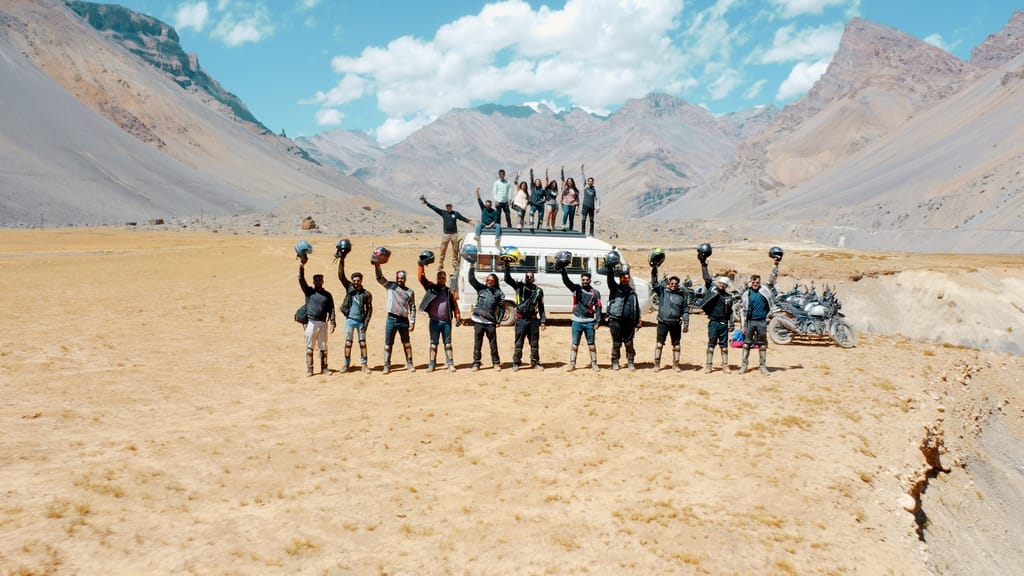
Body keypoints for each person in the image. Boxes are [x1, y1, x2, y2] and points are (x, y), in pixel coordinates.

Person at [739, 257, 780, 374]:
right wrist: (742, 326)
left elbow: (772, 278)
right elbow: (742, 311)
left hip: (762, 321)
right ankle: (744, 366)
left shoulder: (765, 290)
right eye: (753, 282)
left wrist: (776, 264)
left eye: (757, 282)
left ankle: (762, 367)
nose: (755, 284)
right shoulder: (746, 294)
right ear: (751, 282)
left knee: (762, 345)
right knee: (746, 345)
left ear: (760, 282)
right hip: (750, 322)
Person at [418, 260, 461, 372]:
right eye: (439, 278)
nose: (441, 279)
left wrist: (458, 317)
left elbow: (455, 305)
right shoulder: (432, 288)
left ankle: (450, 363)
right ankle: (432, 364)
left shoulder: (449, 292)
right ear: (437, 279)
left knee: (448, 344)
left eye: (443, 278)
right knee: (433, 343)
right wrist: (421, 266)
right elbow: (422, 279)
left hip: (446, 322)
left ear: (445, 279)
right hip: (434, 321)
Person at [503, 261, 546, 371]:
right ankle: (516, 362)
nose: (529, 278)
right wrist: (506, 265)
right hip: (521, 320)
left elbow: (541, 307)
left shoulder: (539, 291)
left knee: (534, 343)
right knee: (519, 343)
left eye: (531, 277)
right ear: (525, 277)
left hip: (533, 321)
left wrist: (543, 321)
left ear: (534, 278)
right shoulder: (519, 287)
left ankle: (535, 362)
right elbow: (507, 279)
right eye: (527, 276)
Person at [375, 261, 416, 374]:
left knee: (406, 343)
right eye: (398, 278)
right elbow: (379, 278)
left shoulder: (410, 292)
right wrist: (377, 265)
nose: (399, 280)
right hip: (391, 319)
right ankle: (386, 365)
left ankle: (410, 363)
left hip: (404, 320)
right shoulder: (391, 286)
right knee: (388, 344)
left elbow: (412, 307)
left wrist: (412, 321)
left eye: (402, 278)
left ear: (405, 279)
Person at [559, 265, 603, 371]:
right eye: (583, 280)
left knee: (591, 344)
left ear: (590, 280)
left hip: (590, 322)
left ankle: (594, 364)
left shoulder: (596, 293)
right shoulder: (576, 289)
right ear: (581, 280)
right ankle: (572, 364)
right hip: (576, 321)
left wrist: (598, 321)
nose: (585, 282)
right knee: (575, 343)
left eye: (587, 280)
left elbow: (598, 307)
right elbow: (566, 281)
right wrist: (563, 270)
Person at [650, 262, 690, 372]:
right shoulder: (662, 292)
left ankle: (676, 365)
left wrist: (686, 323)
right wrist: (654, 268)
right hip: (662, 322)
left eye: (675, 283)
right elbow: (654, 282)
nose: (673, 285)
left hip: (675, 323)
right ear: (669, 283)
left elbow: (685, 310)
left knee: (676, 345)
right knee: (659, 344)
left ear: (678, 284)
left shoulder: (681, 296)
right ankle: (657, 365)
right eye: (672, 283)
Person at [700, 254, 736, 374]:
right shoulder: (712, 290)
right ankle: (708, 365)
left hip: (723, 323)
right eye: (720, 283)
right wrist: (704, 264)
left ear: (726, 286)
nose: (721, 285)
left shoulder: (728, 297)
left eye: (724, 284)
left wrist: (731, 323)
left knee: (724, 346)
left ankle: (725, 365)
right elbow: (707, 278)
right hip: (713, 322)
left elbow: (730, 311)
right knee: (711, 344)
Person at [299, 263, 336, 376]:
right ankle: (310, 369)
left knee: (323, 347)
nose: (318, 282)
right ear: (313, 282)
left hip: (323, 323)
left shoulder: (327, 295)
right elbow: (301, 280)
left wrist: (333, 322)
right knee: (310, 346)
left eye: (320, 280)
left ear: (323, 281)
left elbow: (331, 309)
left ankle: (324, 368)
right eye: (316, 280)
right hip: (311, 322)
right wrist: (301, 266)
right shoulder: (309, 292)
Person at [337, 254, 372, 373]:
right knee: (348, 342)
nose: (356, 282)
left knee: (362, 343)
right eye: (354, 280)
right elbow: (341, 276)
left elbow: (369, 309)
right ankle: (346, 364)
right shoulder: (349, 288)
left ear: (361, 281)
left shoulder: (366, 294)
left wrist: (366, 322)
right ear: (352, 281)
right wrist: (342, 260)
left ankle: (364, 364)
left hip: (361, 321)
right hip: (350, 320)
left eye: (358, 280)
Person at [467, 263, 505, 371]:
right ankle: (476, 363)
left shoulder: (499, 293)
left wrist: (499, 321)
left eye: (491, 281)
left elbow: (502, 309)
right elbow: (471, 280)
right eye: (488, 280)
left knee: (493, 343)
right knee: (477, 343)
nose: (489, 282)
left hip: (490, 322)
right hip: (478, 320)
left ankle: (496, 363)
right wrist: (471, 268)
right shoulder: (481, 288)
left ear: (495, 282)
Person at [605, 263, 641, 371]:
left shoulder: (633, 293)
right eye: (623, 278)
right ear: (620, 279)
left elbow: (636, 307)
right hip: (616, 321)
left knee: (629, 343)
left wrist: (638, 320)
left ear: (629, 279)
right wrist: (610, 269)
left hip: (629, 322)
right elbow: (610, 280)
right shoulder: (614, 289)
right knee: (616, 343)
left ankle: (630, 361)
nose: (625, 279)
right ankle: (615, 361)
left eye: (627, 278)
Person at [421, 196, 471, 270]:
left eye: (449, 206)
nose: (448, 207)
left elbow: (462, 218)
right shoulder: (443, 213)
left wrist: (469, 221)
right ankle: (441, 264)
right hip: (446, 235)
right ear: (446, 207)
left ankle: (455, 263)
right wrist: (427, 203)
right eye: (447, 206)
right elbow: (435, 209)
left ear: (451, 206)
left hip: (454, 234)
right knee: (443, 249)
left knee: (455, 250)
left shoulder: (455, 213)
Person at [579, 165, 600, 237]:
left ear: (593, 182)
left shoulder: (595, 189)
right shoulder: (585, 186)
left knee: (591, 220)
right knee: (583, 219)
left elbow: (597, 198)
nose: (590, 182)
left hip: (591, 207)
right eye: (589, 181)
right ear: (588, 182)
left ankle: (591, 233)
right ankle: (583, 232)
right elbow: (583, 179)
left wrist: (597, 207)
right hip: (585, 205)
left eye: (591, 181)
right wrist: (582, 171)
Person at [559, 166, 581, 231]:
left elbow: (577, 199)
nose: (569, 182)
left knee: (571, 217)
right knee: (566, 212)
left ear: (572, 182)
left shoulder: (575, 190)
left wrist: (577, 208)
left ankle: (571, 228)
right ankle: (563, 225)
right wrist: (562, 170)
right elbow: (562, 179)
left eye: (570, 181)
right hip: (565, 203)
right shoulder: (565, 188)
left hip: (573, 204)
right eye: (568, 181)